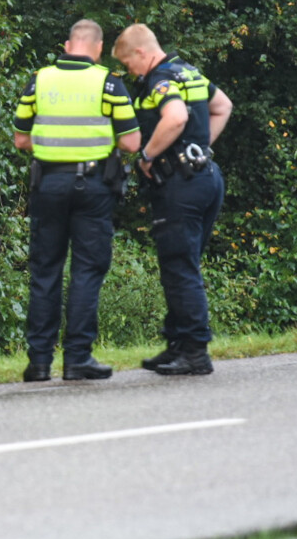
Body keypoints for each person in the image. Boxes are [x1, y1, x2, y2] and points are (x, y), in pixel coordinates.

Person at [13, 19, 141, 382]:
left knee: (45, 272)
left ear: (69, 45)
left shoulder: (40, 80)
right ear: (98, 48)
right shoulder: (109, 83)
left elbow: (21, 141)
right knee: (86, 270)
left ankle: (38, 362)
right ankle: (77, 359)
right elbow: (131, 143)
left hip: (48, 184)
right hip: (93, 187)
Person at [113, 24, 232, 375]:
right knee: (182, 266)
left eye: (128, 64)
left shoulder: (160, 79)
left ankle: (195, 353)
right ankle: (178, 344)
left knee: (180, 268)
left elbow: (176, 116)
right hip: (206, 177)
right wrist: (200, 149)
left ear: (140, 53)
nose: (130, 71)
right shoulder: (189, 71)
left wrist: (148, 155)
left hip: (181, 186)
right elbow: (223, 105)